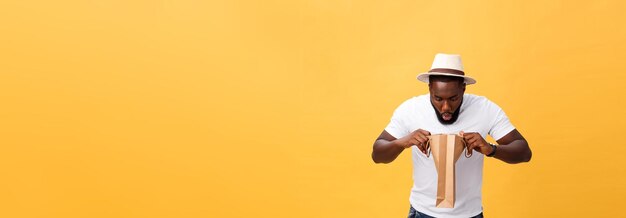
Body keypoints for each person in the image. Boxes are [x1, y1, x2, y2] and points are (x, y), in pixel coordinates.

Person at [371, 53, 532, 218]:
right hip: (422, 212)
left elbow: (524, 152)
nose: (446, 107)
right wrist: (402, 142)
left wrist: (491, 149)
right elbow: (377, 154)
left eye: (453, 98)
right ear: (430, 89)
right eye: (438, 98)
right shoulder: (411, 109)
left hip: (470, 214)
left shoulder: (485, 109)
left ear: (463, 88)